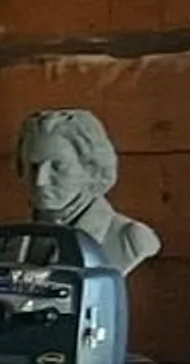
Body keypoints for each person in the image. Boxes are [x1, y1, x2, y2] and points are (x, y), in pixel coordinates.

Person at [15, 108, 158, 272]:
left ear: (91, 170)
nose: (40, 181)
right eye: (33, 167)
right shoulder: (13, 240)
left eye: (57, 167)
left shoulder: (130, 239)